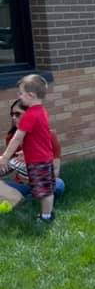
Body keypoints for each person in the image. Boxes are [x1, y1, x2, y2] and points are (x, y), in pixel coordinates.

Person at [0, 75, 56, 221]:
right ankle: (47, 213)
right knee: (46, 189)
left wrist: (5, 157)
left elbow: (17, 137)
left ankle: (46, 216)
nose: (19, 96)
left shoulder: (30, 115)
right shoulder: (42, 111)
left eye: (20, 93)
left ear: (31, 95)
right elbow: (39, 137)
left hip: (38, 160)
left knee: (45, 191)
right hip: (43, 158)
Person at [3, 98, 65, 201]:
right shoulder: (11, 138)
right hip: (21, 183)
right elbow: (10, 166)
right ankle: (30, 197)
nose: (14, 117)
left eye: (17, 114)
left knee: (59, 184)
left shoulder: (50, 136)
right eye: (12, 114)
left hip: (42, 181)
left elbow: (56, 170)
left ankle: (22, 198)